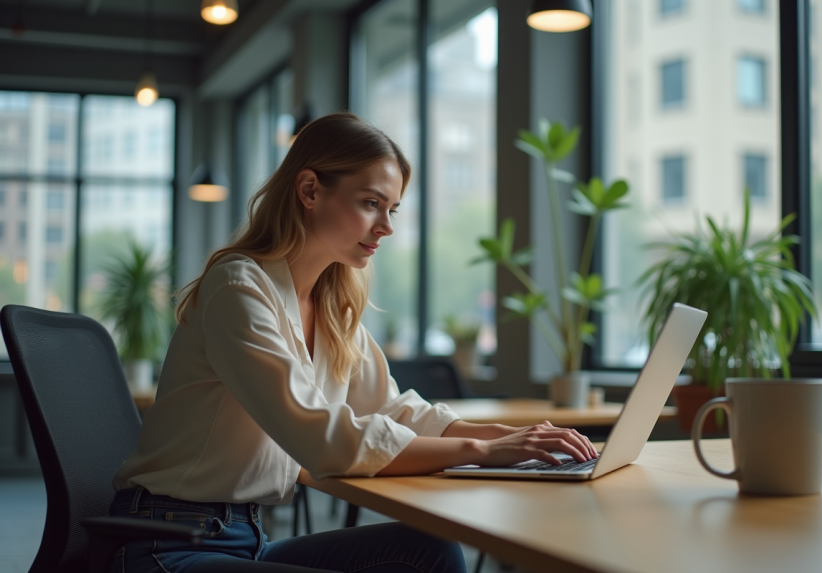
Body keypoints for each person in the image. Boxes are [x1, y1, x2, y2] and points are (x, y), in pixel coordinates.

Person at [109, 112, 598, 573]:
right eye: (371, 203)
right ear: (309, 190)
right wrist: (480, 451)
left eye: (392, 209)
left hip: (245, 538)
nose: (386, 226)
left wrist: (516, 441)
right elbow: (320, 437)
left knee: (430, 552)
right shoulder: (238, 288)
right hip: (168, 544)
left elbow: (393, 409)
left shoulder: (331, 307)